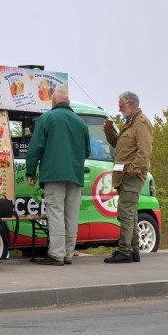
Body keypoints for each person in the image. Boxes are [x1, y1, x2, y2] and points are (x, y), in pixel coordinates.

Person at [26, 89, 90, 266]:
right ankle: (69, 254)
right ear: (68, 102)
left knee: (55, 213)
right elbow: (87, 151)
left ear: (53, 102)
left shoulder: (47, 119)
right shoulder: (80, 122)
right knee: (71, 215)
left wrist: (30, 172)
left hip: (54, 174)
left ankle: (56, 254)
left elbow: (35, 148)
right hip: (75, 176)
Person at [102, 91, 153, 263]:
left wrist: (131, 170)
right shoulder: (129, 123)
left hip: (132, 175)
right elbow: (120, 145)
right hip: (124, 175)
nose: (119, 109)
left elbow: (144, 152)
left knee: (125, 212)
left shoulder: (142, 123)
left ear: (131, 104)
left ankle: (124, 252)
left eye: (121, 106)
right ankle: (134, 251)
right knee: (131, 214)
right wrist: (109, 132)